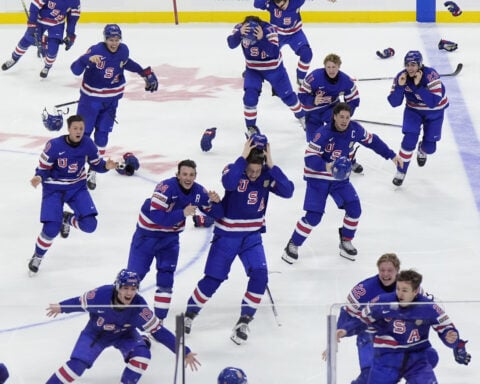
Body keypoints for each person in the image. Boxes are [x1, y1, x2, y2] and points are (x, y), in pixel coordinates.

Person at [184, 135, 294, 344]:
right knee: (213, 279)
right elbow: (229, 182)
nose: (253, 175)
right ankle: (190, 313)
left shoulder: (266, 174)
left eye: (257, 170)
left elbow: (288, 191)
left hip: (252, 236)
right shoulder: (234, 168)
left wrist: (271, 164)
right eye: (250, 170)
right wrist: (243, 156)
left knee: (260, 276)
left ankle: (245, 319)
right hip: (227, 235)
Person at [281, 103, 402, 263]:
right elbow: (309, 158)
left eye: (347, 117)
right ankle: (293, 243)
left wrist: (392, 155)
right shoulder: (323, 133)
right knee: (314, 216)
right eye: (341, 117)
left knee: (354, 209)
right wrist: (326, 166)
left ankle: (346, 240)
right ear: (334, 116)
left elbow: (373, 141)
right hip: (318, 177)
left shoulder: (355, 129)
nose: (345, 120)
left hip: (340, 179)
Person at [44, 269, 200, 383]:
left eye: (133, 289)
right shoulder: (100, 295)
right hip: (96, 334)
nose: (129, 293)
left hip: (125, 335)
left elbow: (159, 332)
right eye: (125, 288)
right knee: (75, 367)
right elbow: (79, 302)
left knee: (142, 357)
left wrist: (184, 351)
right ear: (118, 287)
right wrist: (62, 307)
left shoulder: (139, 308)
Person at [126, 159, 223, 322]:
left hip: (169, 239)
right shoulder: (165, 188)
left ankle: (159, 320)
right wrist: (182, 214)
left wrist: (216, 202)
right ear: (178, 175)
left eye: (191, 175)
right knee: (132, 278)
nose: (188, 178)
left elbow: (217, 215)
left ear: (195, 176)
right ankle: (118, 313)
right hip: (146, 236)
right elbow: (157, 218)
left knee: (166, 280)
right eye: (184, 174)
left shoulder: (199, 192)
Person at [70, 23, 158, 190]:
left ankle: (93, 170)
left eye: (117, 39)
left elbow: (125, 63)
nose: (114, 42)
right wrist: (85, 60)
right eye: (111, 39)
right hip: (90, 100)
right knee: (83, 134)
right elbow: (75, 70)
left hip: (111, 101)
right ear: (105, 39)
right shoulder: (96, 51)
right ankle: (77, 167)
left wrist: (143, 73)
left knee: (102, 135)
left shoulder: (123, 50)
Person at [28, 114, 118, 275]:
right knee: (51, 229)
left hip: (77, 187)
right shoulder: (54, 145)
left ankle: (66, 219)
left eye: (81, 129)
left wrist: (106, 166)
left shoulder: (88, 144)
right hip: (53, 188)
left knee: (90, 225)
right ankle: (38, 256)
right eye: (75, 128)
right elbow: (42, 168)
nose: (78, 131)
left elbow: (97, 164)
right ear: (69, 129)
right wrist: (38, 177)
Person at [350, 269, 471, 383]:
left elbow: (446, 328)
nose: (399, 294)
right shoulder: (383, 301)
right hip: (386, 356)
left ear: (416, 291)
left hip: (415, 356)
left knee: (431, 357)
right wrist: (344, 329)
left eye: (405, 290)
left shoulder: (428, 306)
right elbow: (361, 320)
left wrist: (452, 338)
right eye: (398, 288)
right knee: (367, 374)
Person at [335, 253, 438, 384]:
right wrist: (338, 333)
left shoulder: (411, 288)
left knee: (430, 357)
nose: (385, 274)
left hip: (401, 337)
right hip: (370, 336)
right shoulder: (364, 289)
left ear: (397, 271)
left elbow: (427, 310)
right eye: (382, 270)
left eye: (390, 270)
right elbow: (347, 311)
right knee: (369, 374)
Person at [227, 15, 305, 135]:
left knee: (289, 97)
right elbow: (231, 44)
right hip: (253, 69)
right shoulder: (240, 28)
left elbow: (274, 52)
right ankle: (251, 128)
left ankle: (303, 118)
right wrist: (239, 34)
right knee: (250, 97)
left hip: (274, 69)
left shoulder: (270, 30)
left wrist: (262, 39)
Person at [387, 50, 449, 186]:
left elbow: (433, 103)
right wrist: (400, 87)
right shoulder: (401, 77)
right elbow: (394, 103)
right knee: (409, 140)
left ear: (420, 65)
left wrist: (418, 87)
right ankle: (401, 171)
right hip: (413, 110)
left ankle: (422, 148)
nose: (410, 68)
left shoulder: (431, 75)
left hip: (435, 113)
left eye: (413, 64)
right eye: (407, 64)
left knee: (430, 148)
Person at [1, 0, 80, 78]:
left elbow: (73, 18)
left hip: (57, 25)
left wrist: (70, 35)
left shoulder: (75, 1)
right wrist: (32, 23)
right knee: (28, 39)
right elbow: (35, 6)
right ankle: (14, 58)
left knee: (53, 49)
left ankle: (47, 67)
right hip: (40, 20)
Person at [298, 53, 360, 147]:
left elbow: (354, 99)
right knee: (314, 143)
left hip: (331, 109)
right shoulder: (314, 76)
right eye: (328, 67)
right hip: (312, 111)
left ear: (339, 67)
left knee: (342, 134)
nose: (331, 70)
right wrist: (313, 101)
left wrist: (346, 115)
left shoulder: (346, 81)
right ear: (324, 67)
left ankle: (347, 159)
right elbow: (301, 95)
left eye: (334, 67)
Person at [253, 0, 313, 86]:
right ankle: (254, 72)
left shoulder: (297, 1)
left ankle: (300, 78)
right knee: (263, 55)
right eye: (278, 6)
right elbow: (256, 4)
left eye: (283, 5)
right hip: (277, 35)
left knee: (307, 54)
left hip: (295, 34)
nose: (281, 7)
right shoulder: (271, 4)